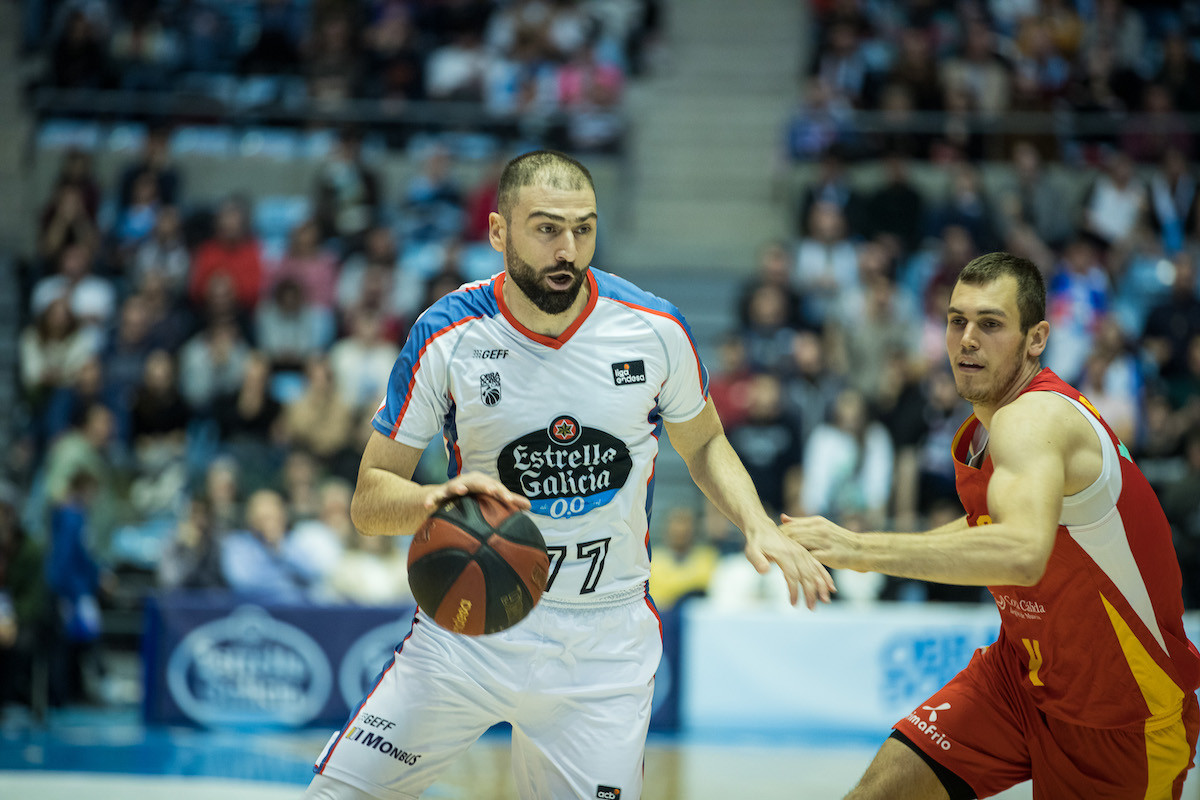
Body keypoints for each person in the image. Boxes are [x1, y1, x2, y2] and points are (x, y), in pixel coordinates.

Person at [302, 150, 833, 800]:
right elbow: (369, 500)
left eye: (583, 228)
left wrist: (757, 524)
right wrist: (436, 500)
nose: (569, 249)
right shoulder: (447, 333)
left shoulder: (655, 328)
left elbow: (706, 444)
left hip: (603, 645)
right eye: (547, 228)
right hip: (469, 628)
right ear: (499, 232)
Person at [782, 252, 1200, 799]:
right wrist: (855, 552)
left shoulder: (1032, 419)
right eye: (957, 321)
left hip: (1120, 713)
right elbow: (987, 524)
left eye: (991, 323)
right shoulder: (991, 428)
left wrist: (859, 547)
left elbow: (1022, 554)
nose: (967, 339)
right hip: (1020, 679)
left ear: (1037, 338)